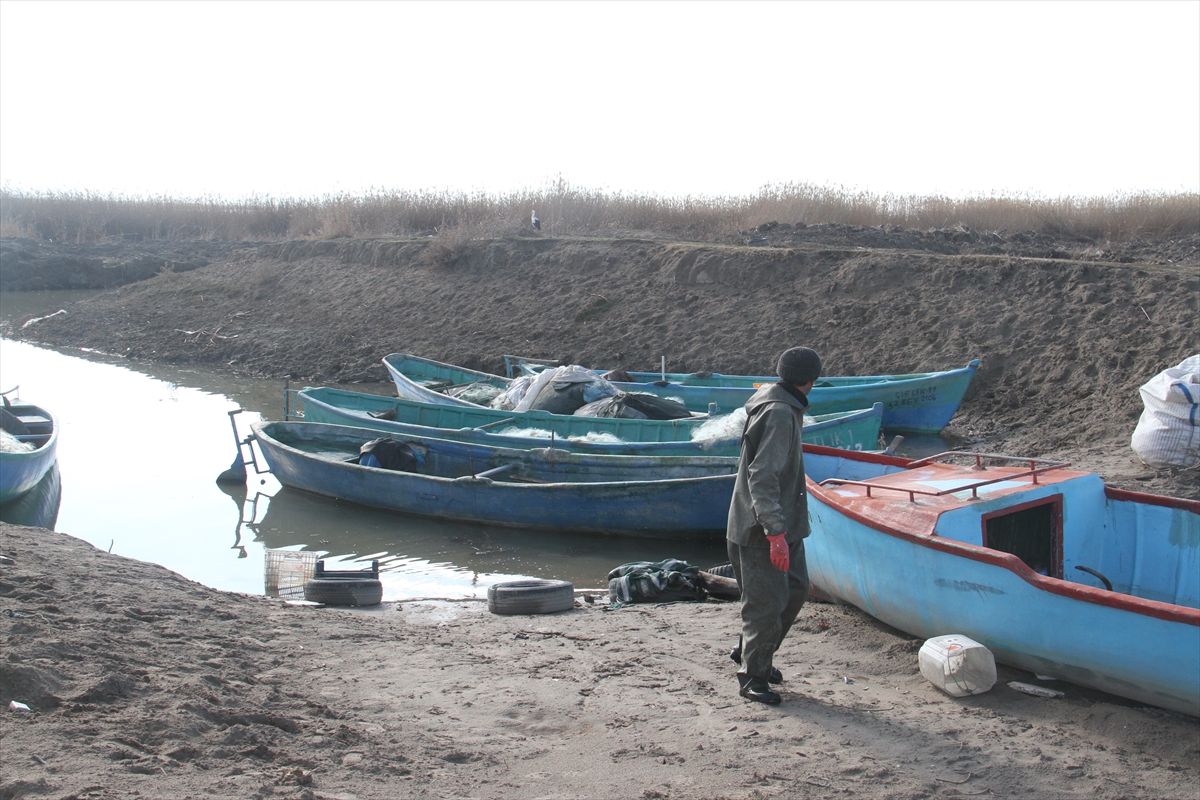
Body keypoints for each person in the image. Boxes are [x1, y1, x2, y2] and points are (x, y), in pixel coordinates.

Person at [726, 346, 821, 705]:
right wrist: (774, 533)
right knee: (766, 603)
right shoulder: (780, 412)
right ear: (811, 380)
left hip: (785, 522)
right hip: (761, 528)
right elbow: (762, 475)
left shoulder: (777, 399)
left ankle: (752, 652)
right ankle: (753, 677)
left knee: (795, 589)